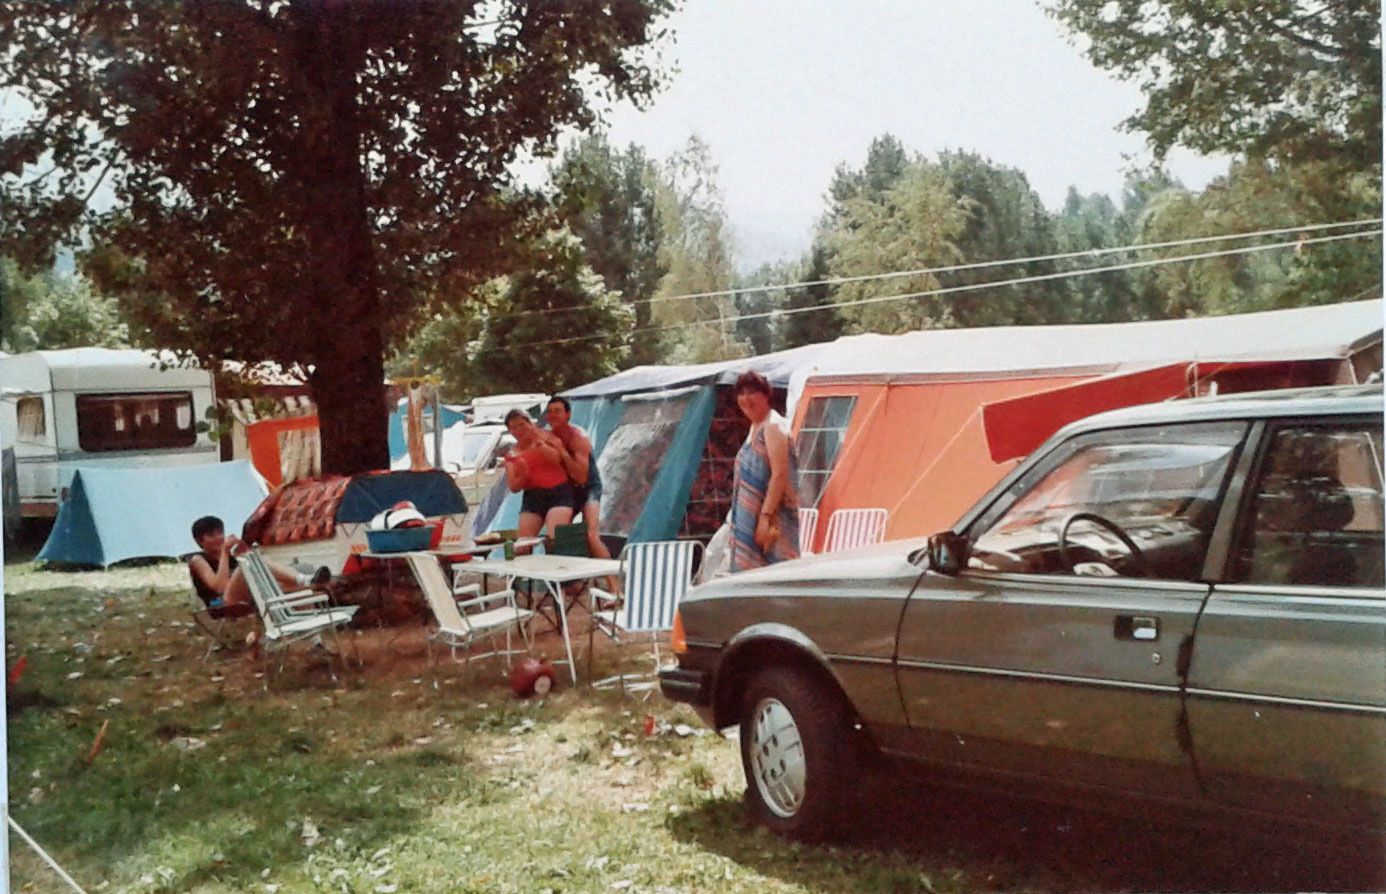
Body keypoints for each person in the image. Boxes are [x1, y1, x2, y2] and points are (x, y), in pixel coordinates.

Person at [729, 371, 800, 571]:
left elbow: (779, 474)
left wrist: (764, 518)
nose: (746, 398)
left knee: (773, 581)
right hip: (749, 521)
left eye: (752, 392)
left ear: (766, 395)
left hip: (771, 521)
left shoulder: (773, 426)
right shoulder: (755, 428)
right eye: (741, 393)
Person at [188, 515, 329, 613]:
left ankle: (314, 637)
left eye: (220, 533)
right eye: (212, 535)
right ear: (200, 541)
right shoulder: (198, 560)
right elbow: (219, 587)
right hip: (223, 603)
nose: (219, 537)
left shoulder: (231, 556)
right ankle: (304, 579)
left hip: (251, 595)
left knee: (293, 586)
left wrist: (243, 551)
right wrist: (225, 552)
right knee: (248, 563)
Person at [544, 396, 613, 562]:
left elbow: (582, 478)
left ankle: (613, 583)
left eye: (558, 411)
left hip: (589, 488)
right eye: (550, 412)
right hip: (568, 490)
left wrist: (562, 452)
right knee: (554, 537)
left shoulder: (579, 437)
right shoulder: (546, 438)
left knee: (590, 535)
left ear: (568, 415)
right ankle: (566, 581)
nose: (553, 415)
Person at [502, 409, 574, 551]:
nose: (519, 430)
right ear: (510, 431)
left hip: (558, 492)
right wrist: (523, 475)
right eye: (514, 428)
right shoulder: (512, 455)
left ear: (531, 424)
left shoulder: (548, 438)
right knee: (523, 545)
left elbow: (557, 460)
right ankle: (524, 571)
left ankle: (555, 568)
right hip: (533, 496)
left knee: (554, 539)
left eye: (522, 425)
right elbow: (514, 487)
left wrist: (540, 444)